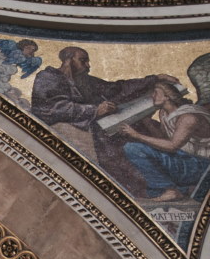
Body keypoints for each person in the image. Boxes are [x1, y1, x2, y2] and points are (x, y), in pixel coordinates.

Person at [31, 46, 178, 196]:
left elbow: (117, 88)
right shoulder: (48, 77)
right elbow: (51, 108)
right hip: (83, 132)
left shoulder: (84, 80)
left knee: (145, 127)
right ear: (68, 60)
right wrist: (95, 110)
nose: (88, 65)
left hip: (102, 127)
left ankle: (167, 179)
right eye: (83, 61)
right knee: (118, 150)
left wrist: (155, 79)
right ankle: (138, 191)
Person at [117, 80, 210, 200]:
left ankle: (171, 190)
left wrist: (136, 135)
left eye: (155, 93)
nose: (152, 96)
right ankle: (177, 190)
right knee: (133, 148)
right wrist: (147, 122)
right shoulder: (164, 114)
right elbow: (163, 140)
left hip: (203, 166)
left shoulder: (188, 118)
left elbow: (172, 146)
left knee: (133, 148)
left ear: (167, 96)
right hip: (186, 160)